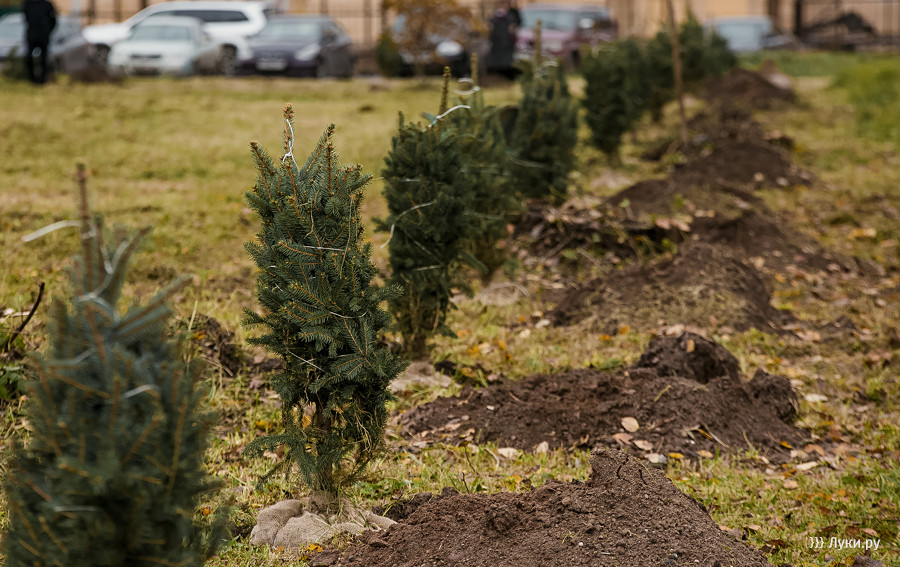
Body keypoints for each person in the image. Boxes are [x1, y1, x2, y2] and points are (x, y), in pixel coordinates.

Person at [22, 0, 56, 84]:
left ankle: (43, 80)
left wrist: (47, 31)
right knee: (29, 58)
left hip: (43, 36)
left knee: (44, 59)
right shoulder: (28, 4)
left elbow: (53, 21)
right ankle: (32, 79)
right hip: (31, 36)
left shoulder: (47, 5)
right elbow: (26, 18)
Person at [486, 0, 520, 80]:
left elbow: (514, 28)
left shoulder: (511, 17)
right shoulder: (494, 17)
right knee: (496, 62)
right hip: (496, 44)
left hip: (507, 43)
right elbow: (490, 29)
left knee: (507, 62)